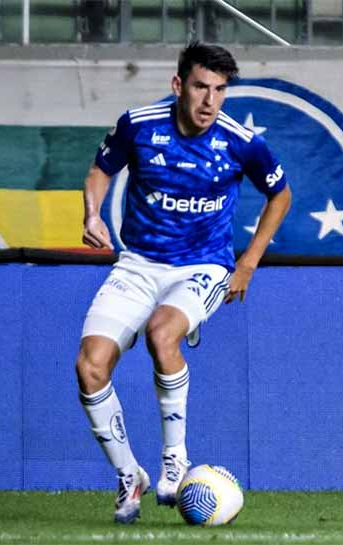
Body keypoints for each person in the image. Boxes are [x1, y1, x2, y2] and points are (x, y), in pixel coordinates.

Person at [75, 41, 291, 524]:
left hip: (204, 267)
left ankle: (176, 459)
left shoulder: (240, 142)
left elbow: (281, 194)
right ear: (179, 85)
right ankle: (130, 475)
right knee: (90, 367)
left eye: (219, 90)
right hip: (138, 264)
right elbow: (99, 171)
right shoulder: (139, 124)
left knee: (162, 333)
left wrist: (248, 263)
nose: (209, 101)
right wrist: (91, 213)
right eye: (200, 87)